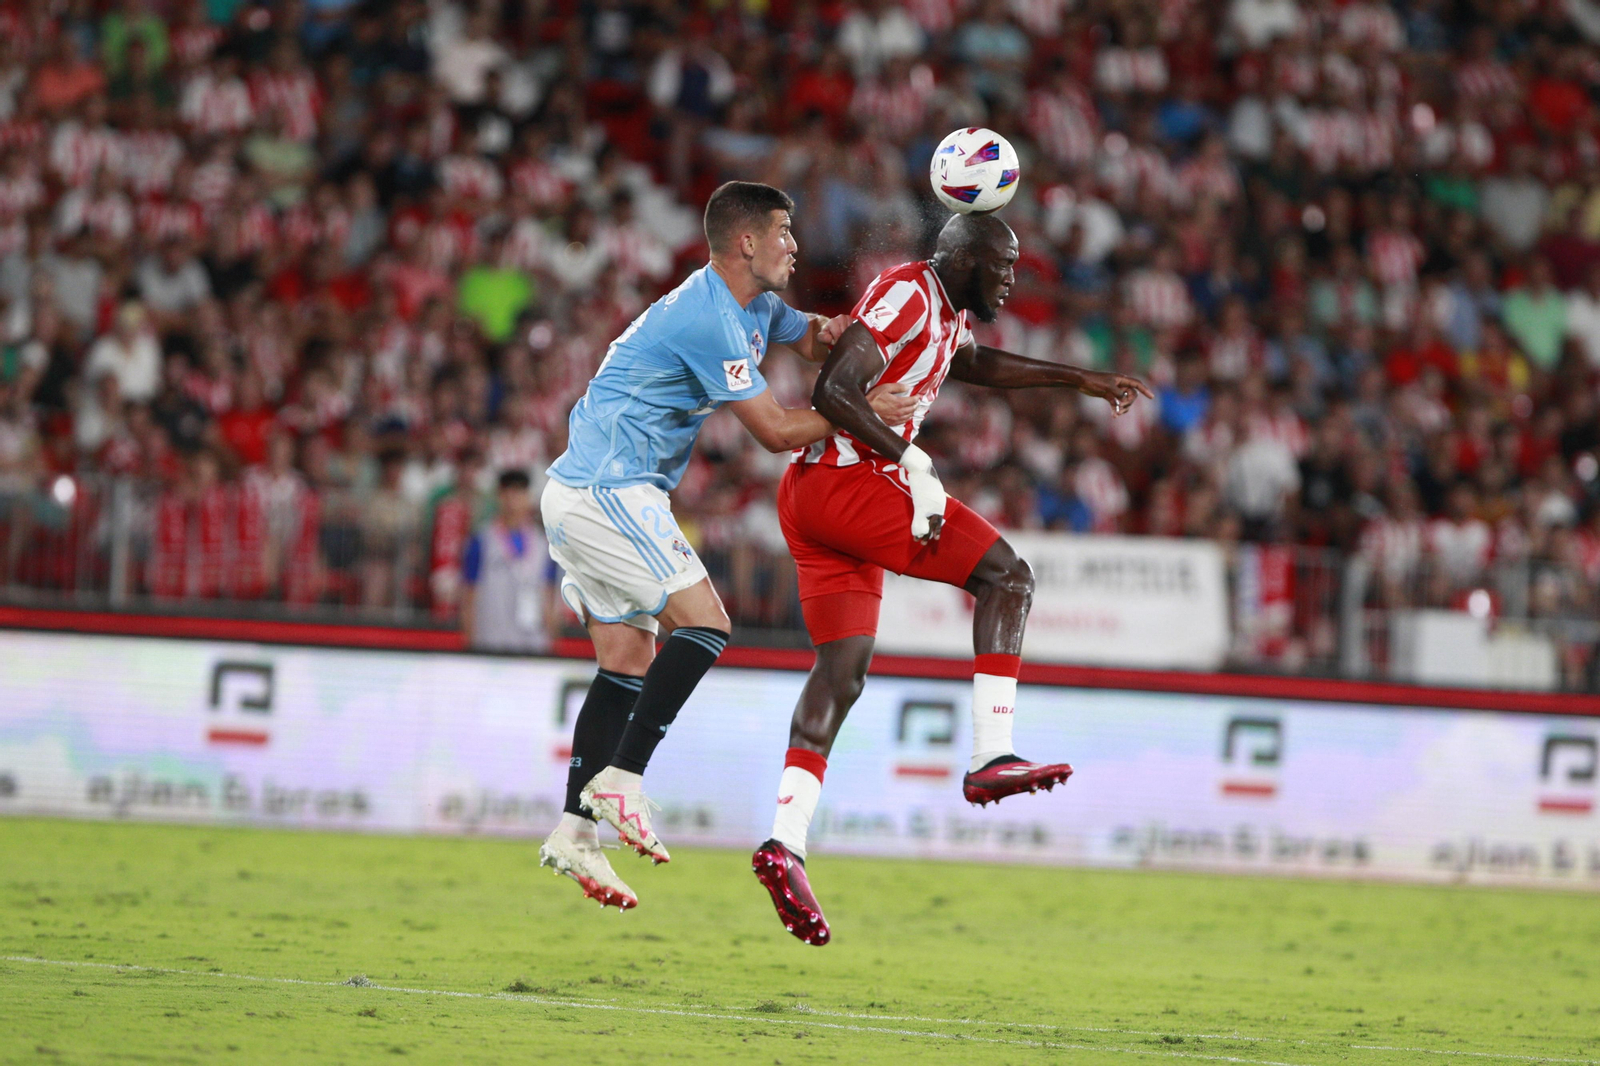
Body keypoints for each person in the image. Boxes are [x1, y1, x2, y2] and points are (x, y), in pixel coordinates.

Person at [752, 212, 1153, 945]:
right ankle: (989, 756)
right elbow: (834, 394)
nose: (1009, 278)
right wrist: (913, 463)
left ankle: (785, 842)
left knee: (842, 672)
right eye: (1000, 266)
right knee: (1009, 578)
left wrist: (1081, 380)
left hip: (815, 498)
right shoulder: (908, 291)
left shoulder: (940, 308)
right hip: (851, 485)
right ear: (962, 259)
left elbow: (973, 364)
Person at [536, 181, 915, 910]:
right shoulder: (708, 317)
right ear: (746, 243)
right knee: (706, 622)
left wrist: (849, 332)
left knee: (626, 660)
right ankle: (623, 778)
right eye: (783, 231)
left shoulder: (751, 306)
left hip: (585, 488)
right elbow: (773, 432)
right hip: (607, 488)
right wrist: (858, 411)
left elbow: (806, 335)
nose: (796, 245)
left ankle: (574, 834)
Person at [459, 469, 556, 653]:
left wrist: (551, 639)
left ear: (528, 497)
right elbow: (469, 593)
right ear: (498, 497)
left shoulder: (542, 544)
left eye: (519, 493)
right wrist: (470, 641)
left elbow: (548, 593)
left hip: (533, 641)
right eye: (507, 493)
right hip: (491, 639)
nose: (513, 500)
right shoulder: (482, 540)